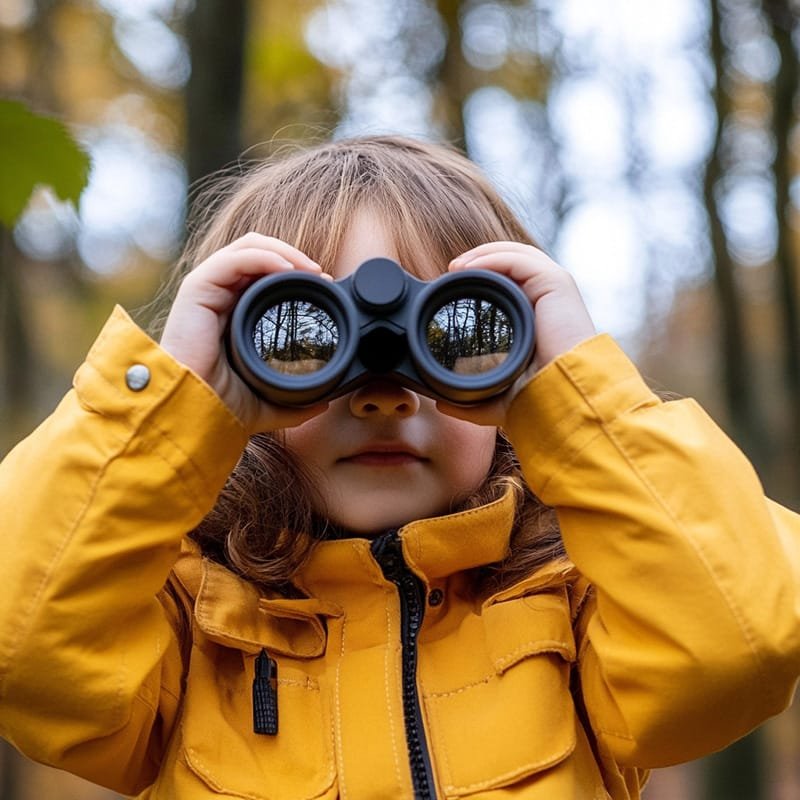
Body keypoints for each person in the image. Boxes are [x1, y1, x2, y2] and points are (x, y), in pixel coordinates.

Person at [0, 135, 798, 800]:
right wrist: (169, 403)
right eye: (308, 340)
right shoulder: (184, 618)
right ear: (231, 360)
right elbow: (21, 647)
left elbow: (742, 643)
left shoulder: (585, 600)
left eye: (451, 339)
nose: (384, 395)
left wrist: (579, 395)